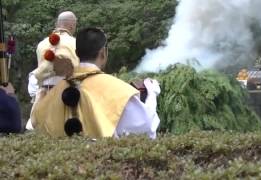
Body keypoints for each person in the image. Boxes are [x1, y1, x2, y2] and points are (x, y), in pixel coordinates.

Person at [31, 27, 161, 139]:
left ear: (76, 54)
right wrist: (152, 95)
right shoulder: (119, 91)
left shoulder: (52, 95)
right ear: (103, 53)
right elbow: (146, 130)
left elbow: (38, 123)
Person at [26, 11, 79, 130]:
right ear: (72, 25)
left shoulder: (41, 44)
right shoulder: (75, 43)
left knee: (43, 131)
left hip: (44, 95)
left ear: (57, 24)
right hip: (67, 95)